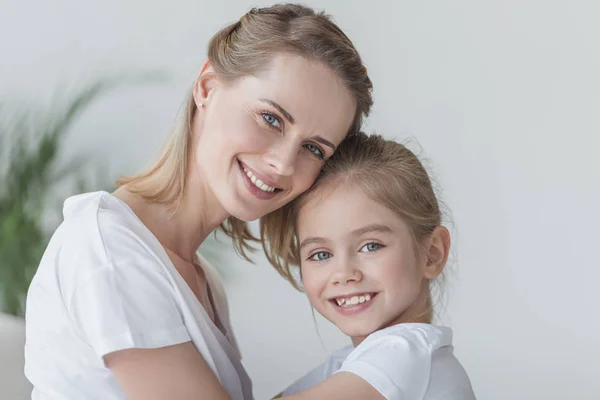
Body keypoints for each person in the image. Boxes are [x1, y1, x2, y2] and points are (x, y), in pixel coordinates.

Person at [24, 4, 373, 399]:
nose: (283, 163)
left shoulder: (205, 282)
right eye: (271, 119)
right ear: (207, 86)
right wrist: (389, 365)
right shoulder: (110, 252)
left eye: (313, 148)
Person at [261, 132, 477, 399]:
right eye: (320, 254)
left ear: (431, 253)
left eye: (370, 246)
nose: (343, 274)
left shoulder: (403, 352)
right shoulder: (351, 363)